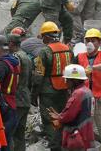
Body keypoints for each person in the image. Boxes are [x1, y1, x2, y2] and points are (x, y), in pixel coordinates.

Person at [32, 21, 72, 151]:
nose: (42, 39)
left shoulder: (45, 51)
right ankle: (65, 144)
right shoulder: (68, 49)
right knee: (63, 117)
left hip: (48, 91)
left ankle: (55, 147)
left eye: (43, 36)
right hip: (65, 89)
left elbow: (38, 76)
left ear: (47, 36)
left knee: (50, 120)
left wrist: (34, 95)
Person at [75, 29, 101, 151]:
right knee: (83, 131)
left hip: (100, 100)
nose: (90, 43)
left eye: (93, 40)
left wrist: (93, 67)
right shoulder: (79, 57)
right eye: (87, 40)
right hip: (83, 101)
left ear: (99, 42)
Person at [48, 64, 95, 150]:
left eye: (67, 80)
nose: (66, 82)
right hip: (86, 132)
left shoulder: (78, 94)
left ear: (74, 80)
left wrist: (59, 117)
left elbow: (69, 115)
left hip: (76, 135)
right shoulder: (87, 91)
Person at [0, 35, 20, 150]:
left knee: (2, 141)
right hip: (11, 103)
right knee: (7, 139)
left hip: (4, 106)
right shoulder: (13, 61)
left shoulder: (1, 65)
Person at [7, 34, 32, 151]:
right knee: (20, 134)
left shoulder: (16, 57)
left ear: (12, 43)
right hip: (26, 97)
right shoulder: (26, 56)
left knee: (11, 132)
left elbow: (14, 79)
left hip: (17, 99)